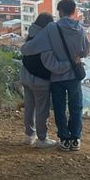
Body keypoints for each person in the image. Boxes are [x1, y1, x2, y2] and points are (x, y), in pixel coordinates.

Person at [21, 0, 89, 152]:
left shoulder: (52, 28)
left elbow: (29, 48)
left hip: (57, 78)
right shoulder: (80, 29)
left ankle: (64, 140)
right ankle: (75, 139)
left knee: (59, 108)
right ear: (74, 11)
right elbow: (85, 51)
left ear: (60, 11)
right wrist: (74, 60)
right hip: (74, 76)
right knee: (76, 107)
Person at [19, 12, 70, 148]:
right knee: (42, 110)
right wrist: (70, 63)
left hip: (25, 77)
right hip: (40, 82)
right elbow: (53, 66)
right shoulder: (45, 42)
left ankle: (29, 135)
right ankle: (42, 139)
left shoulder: (31, 35)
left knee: (29, 107)